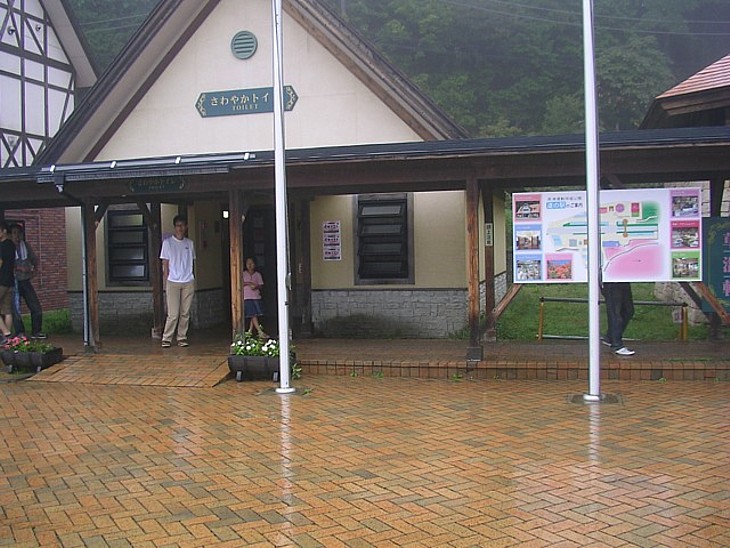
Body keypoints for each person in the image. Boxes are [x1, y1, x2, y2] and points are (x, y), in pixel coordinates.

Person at [160, 215, 195, 348]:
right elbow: (165, 264)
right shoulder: (167, 243)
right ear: (174, 227)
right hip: (173, 281)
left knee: (185, 312)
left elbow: (192, 261)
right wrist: (166, 281)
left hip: (188, 281)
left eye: (182, 225)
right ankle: (166, 338)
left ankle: (182, 337)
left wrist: (191, 276)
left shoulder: (189, 243)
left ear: (186, 227)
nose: (180, 228)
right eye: (178, 225)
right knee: (173, 314)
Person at [9, 224, 45, 339]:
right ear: (10, 235)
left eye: (19, 233)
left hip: (25, 280)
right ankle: (20, 332)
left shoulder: (26, 246)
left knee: (35, 306)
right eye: (14, 233)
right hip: (13, 281)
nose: (17, 236)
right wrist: (18, 268)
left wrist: (36, 270)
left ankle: (36, 331)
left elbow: (34, 259)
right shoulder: (7, 247)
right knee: (15, 308)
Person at [601, 282, 635, 356]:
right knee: (615, 313)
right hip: (611, 281)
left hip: (623, 279)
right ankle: (617, 345)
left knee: (628, 310)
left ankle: (610, 337)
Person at [243, 257, 268, 338]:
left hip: (256, 297)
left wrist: (255, 286)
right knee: (252, 314)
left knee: (254, 314)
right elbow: (239, 284)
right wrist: (248, 283)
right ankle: (260, 331)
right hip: (246, 297)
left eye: (251, 263)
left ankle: (249, 331)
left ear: (255, 264)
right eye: (248, 263)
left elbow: (261, 285)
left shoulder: (257, 275)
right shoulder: (243, 274)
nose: (250, 265)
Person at [0, 222, 16, 345]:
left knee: (6, 310)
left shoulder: (1, 246)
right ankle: (8, 338)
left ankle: (5, 333)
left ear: (4, 231)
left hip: (1, 281)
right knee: (7, 310)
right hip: (10, 281)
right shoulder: (12, 245)